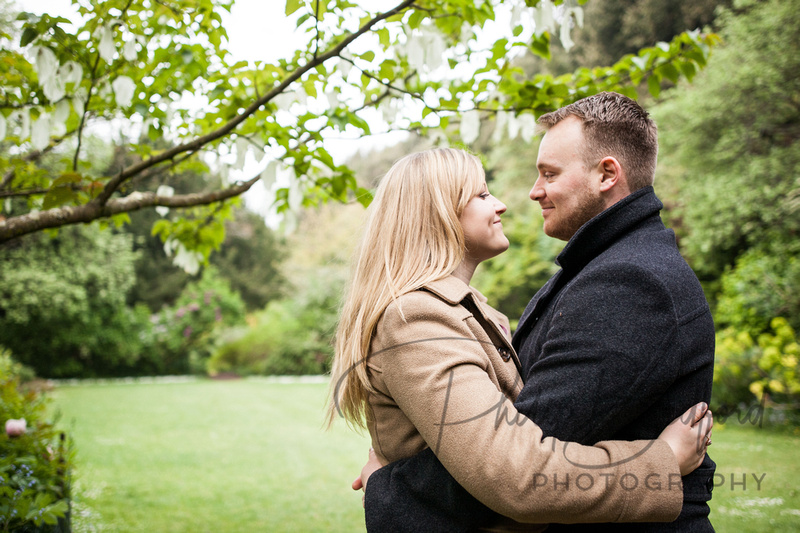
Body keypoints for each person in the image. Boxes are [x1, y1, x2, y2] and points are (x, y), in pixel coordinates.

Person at [358, 93, 717, 532]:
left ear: (607, 174)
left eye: (549, 173)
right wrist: (661, 462)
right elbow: (513, 463)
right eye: (483, 193)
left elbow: (520, 466)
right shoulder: (596, 271)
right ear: (439, 215)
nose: (529, 193)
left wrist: (391, 486)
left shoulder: (630, 282)